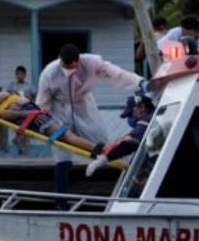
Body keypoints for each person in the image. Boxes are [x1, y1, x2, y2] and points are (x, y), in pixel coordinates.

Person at [37, 43, 145, 202]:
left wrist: (138, 81)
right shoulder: (49, 74)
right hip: (59, 109)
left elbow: (115, 73)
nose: (73, 67)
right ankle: (60, 201)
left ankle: (125, 188)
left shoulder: (91, 62)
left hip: (84, 105)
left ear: (79, 59)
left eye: (76, 63)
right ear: (62, 61)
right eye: (69, 65)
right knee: (61, 153)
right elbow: (43, 102)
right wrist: (44, 124)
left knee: (101, 141)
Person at [0, 83, 103, 155]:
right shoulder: (2, 112)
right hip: (38, 120)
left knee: (68, 137)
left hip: (39, 117)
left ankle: (96, 148)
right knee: (68, 138)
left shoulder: (0, 100)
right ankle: (96, 148)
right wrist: (33, 112)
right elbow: (18, 115)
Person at [86, 93, 155, 176]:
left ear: (141, 107)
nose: (131, 118)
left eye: (131, 113)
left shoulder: (149, 120)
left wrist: (104, 159)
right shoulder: (155, 118)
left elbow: (130, 141)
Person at [4, 65, 35, 155]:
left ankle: (27, 152)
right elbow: (6, 97)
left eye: (21, 74)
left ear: (25, 75)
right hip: (15, 111)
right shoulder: (12, 85)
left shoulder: (29, 86)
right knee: (20, 131)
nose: (19, 76)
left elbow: (34, 98)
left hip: (26, 110)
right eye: (18, 74)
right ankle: (21, 149)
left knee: (26, 132)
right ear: (16, 75)